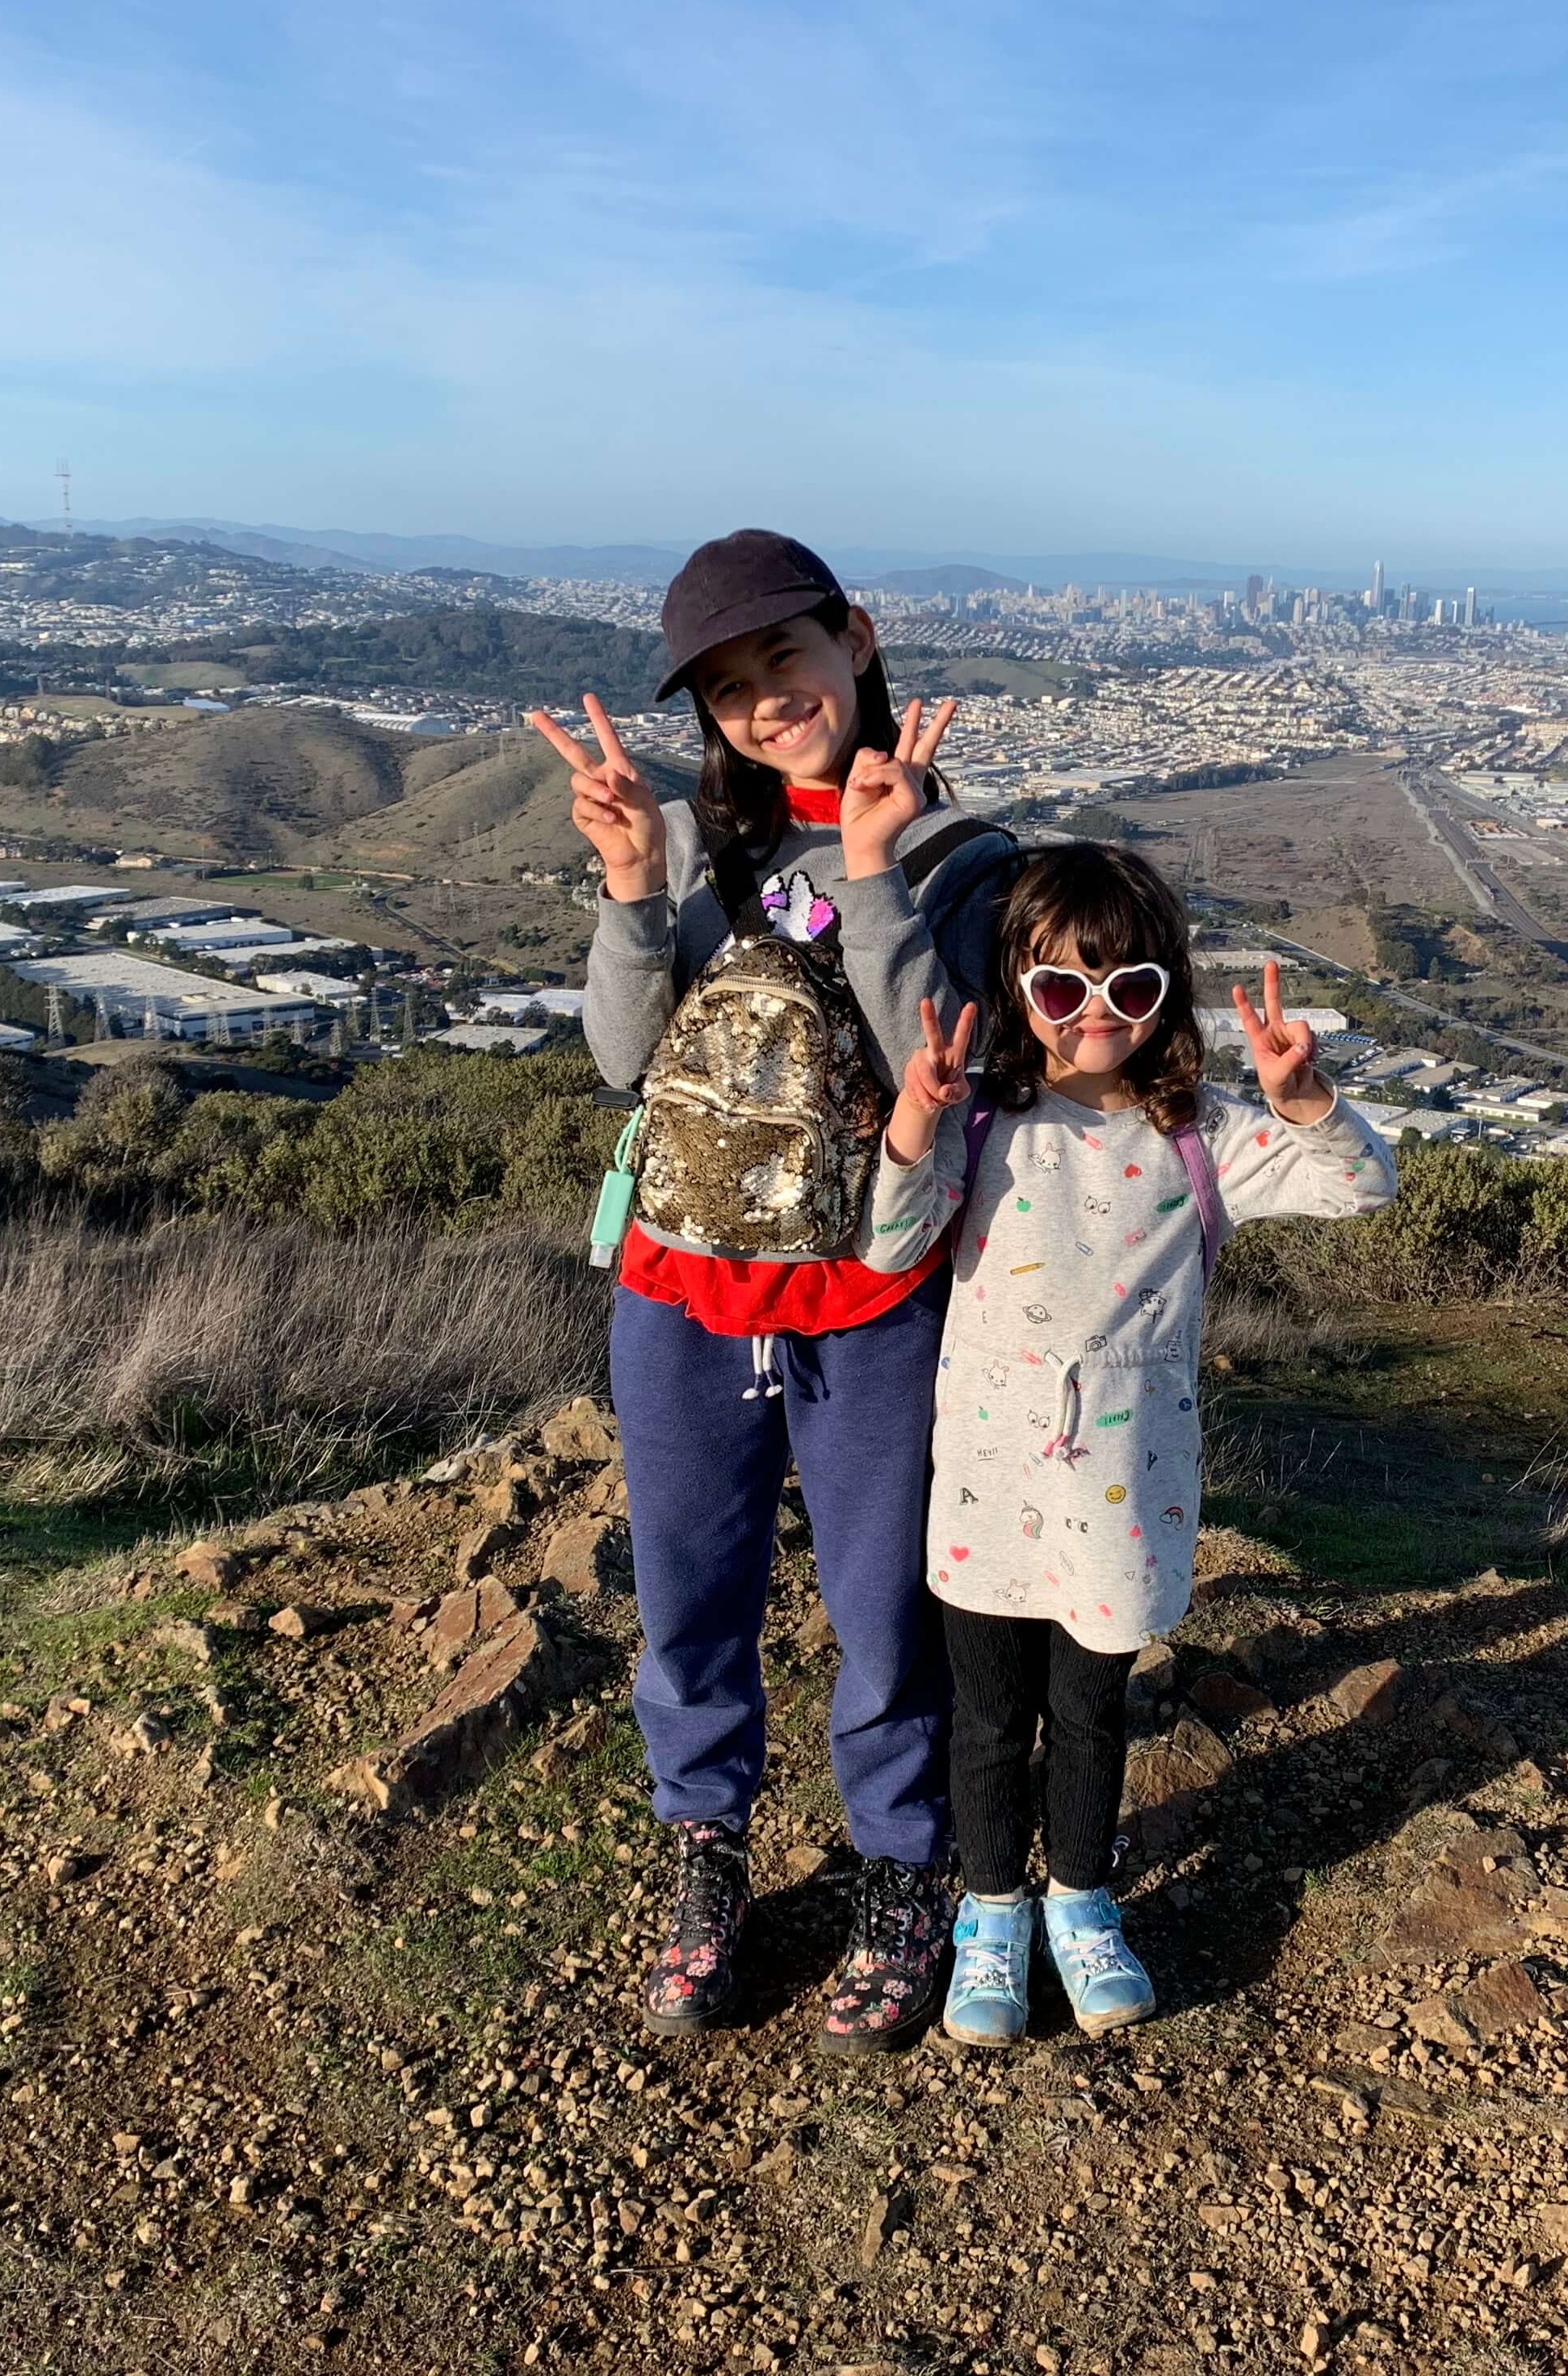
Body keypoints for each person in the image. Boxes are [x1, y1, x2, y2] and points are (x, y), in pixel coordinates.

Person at [530, 529, 1015, 2054]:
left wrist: (870, 872)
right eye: (729, 687)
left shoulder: (970, 858)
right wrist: (629, 886)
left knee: (884, 1611)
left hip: (869, 1292)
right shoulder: (687, 840)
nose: (762, 702)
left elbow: (944, 1056)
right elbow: (624, 1060)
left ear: (858, 639)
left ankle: (897, 1869)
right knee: (688, 1596)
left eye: (783, 660)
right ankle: (708, 1855)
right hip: (681, 1286)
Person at [860, 843, 1396, 2042]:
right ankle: (989, 1917)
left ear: (1167, 993)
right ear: (1016, 988)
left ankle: (1082, 1905)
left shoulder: (1202, 1136)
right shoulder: (985, 1120)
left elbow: (1364, 1187)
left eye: (1129, 987)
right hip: (989, 1488)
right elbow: (890, 1250)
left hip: (1124, 1492)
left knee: (1093, 1711)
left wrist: (1305, 1100)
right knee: (990, 1717)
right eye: (1060, 989)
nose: (1095, 1016)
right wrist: (912, 1122)